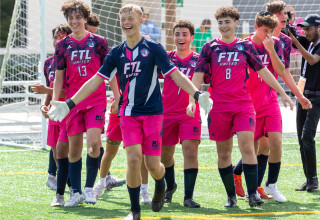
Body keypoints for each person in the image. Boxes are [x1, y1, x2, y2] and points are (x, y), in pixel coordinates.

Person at [48, 4, 211, 219]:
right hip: (128, 114)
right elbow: (96, 80)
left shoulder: (154, 48)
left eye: (130, 17)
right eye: (122, 18)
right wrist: (68, 103)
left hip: (153, 113)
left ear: (140, 20)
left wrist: (197, 95)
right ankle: (134, 211)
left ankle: (161, 181)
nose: (126, 22)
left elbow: (176, 75)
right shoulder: (115, 53)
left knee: (153, 165)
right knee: (133, 159)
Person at [188, 6, 293, 208]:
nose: (223, 26)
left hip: (243, 105)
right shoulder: (209, 48)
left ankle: (253, 194)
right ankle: (231, 196)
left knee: (248, 147)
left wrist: (282, 93)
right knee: (224, 154)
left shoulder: (245, 47)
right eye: (220, 22)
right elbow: (198, 75)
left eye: (227, 22)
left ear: (236, 23)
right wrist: (192, 99)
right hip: (218, 107)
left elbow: (264, 72)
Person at [232, 10, 312, 203]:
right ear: (256, 28)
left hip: (270, 103)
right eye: (265, 31)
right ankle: (238, 174)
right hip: (249, 105)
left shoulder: (276, 44)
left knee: (276, 143)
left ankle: (271, 184)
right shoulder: (244, 46)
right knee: (253, 148)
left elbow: (281, 71)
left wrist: (271, 50)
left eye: (271, 31)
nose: (268, 35)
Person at [52, 0, 109, 207]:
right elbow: (59, 76)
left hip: (95, 100)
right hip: (71, 103)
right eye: (71, 17)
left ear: (86, 19)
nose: (74, 21)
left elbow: (108, 71)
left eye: (78, 17)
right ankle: (75, 192)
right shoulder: (62, 45)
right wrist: (56, 101)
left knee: (94, 144)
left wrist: (118, 95)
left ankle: (88, 188)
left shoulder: (100, 42)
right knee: (73, 150)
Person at [160, 19, 204, 208]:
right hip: (166, 113)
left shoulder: (200, 59)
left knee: (190, 151)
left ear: (192, 37)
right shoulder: (165, 57)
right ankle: (170, 186)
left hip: (190, 113)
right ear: (173, 37)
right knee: (165, 156)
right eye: (177, 34)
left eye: (185, 34)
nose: (181, 37)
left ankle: (188, 197)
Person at [32, 25, 72, 197]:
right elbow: (50, 90)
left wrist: (46, 91)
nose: (58, 40)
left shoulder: (72, 62)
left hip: (68, 111)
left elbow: (71, 92)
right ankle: (64, 185)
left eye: (63, 37)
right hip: (54, 113)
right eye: (56, 37)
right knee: (56, 151)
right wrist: (44, 104)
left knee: (67, 153)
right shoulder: (49, 63)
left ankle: (74, 188)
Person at [288, 14, 320, 192]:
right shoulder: (308, 41)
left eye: (309, 29)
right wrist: (287, 25)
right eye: (304, 29)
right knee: (302, 138)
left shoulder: (315, 45)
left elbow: (312, 59)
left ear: (318, 28)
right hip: (303, 95)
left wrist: (297, 41)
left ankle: (313, 180)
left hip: (317, 98)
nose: (305, 32)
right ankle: (310, 180)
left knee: (307, 136)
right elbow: (288, 35)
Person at [285, 5, 304, 84]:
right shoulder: (286, 22)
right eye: (289, 11)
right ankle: (295, 90)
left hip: (299, 50)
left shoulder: (300, 21)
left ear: (295, 11)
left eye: (292, 11)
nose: (291, 13)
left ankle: (302, 89)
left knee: (301, 70)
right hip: (290, 51)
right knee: (292, 71)